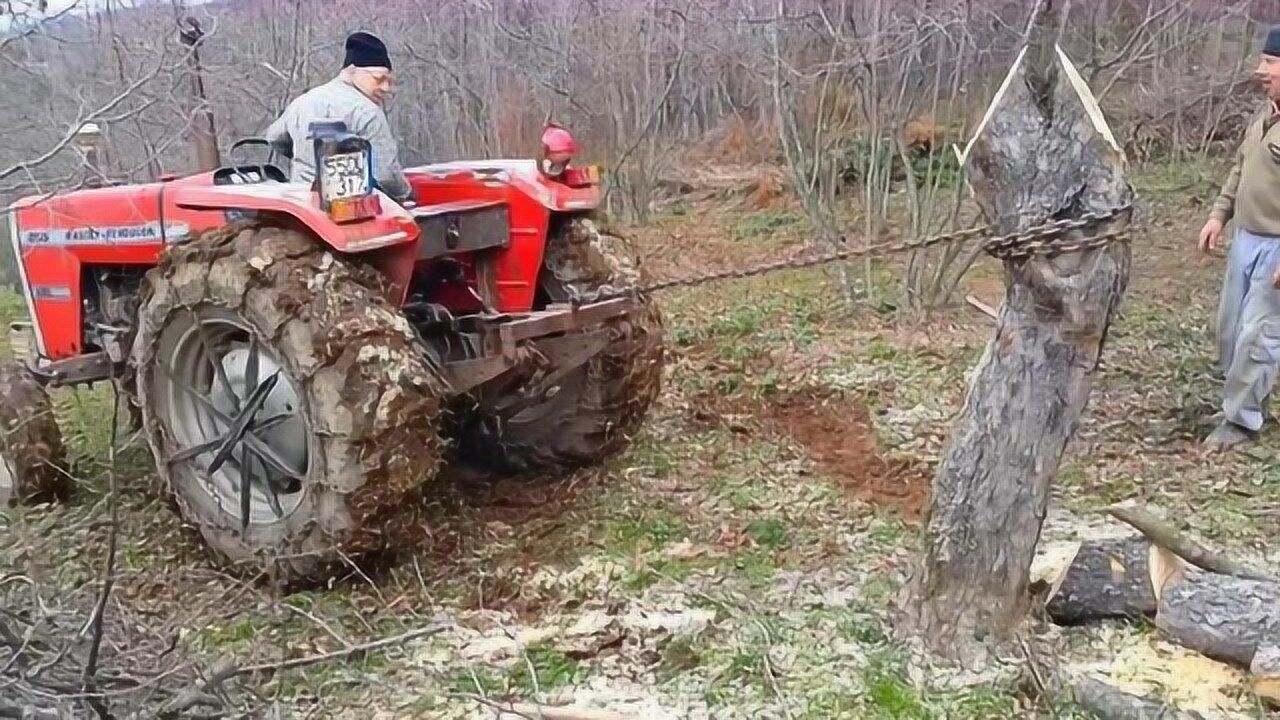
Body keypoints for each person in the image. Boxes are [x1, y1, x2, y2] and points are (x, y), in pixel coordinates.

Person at [1199, 25, 1280, 451]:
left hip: (1277, 246)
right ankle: (1245, 402)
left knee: (1258, 333)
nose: (1260, 69)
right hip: (1246, 238)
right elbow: (1239, 168)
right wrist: (1218, 216)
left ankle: (1242, 423)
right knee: (1230, 330)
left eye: (1269, 62)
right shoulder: (1265, 115)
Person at [264, 31, 412, 202]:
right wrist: (406, 195)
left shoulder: (303, 101)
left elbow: (274, 137)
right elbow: (386, 175)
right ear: (354, 72)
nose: (386, 87)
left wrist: (306, 154)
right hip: (349, 208)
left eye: (389, 81)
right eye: (379, 79)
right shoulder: (366, 112)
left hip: (302, 204)